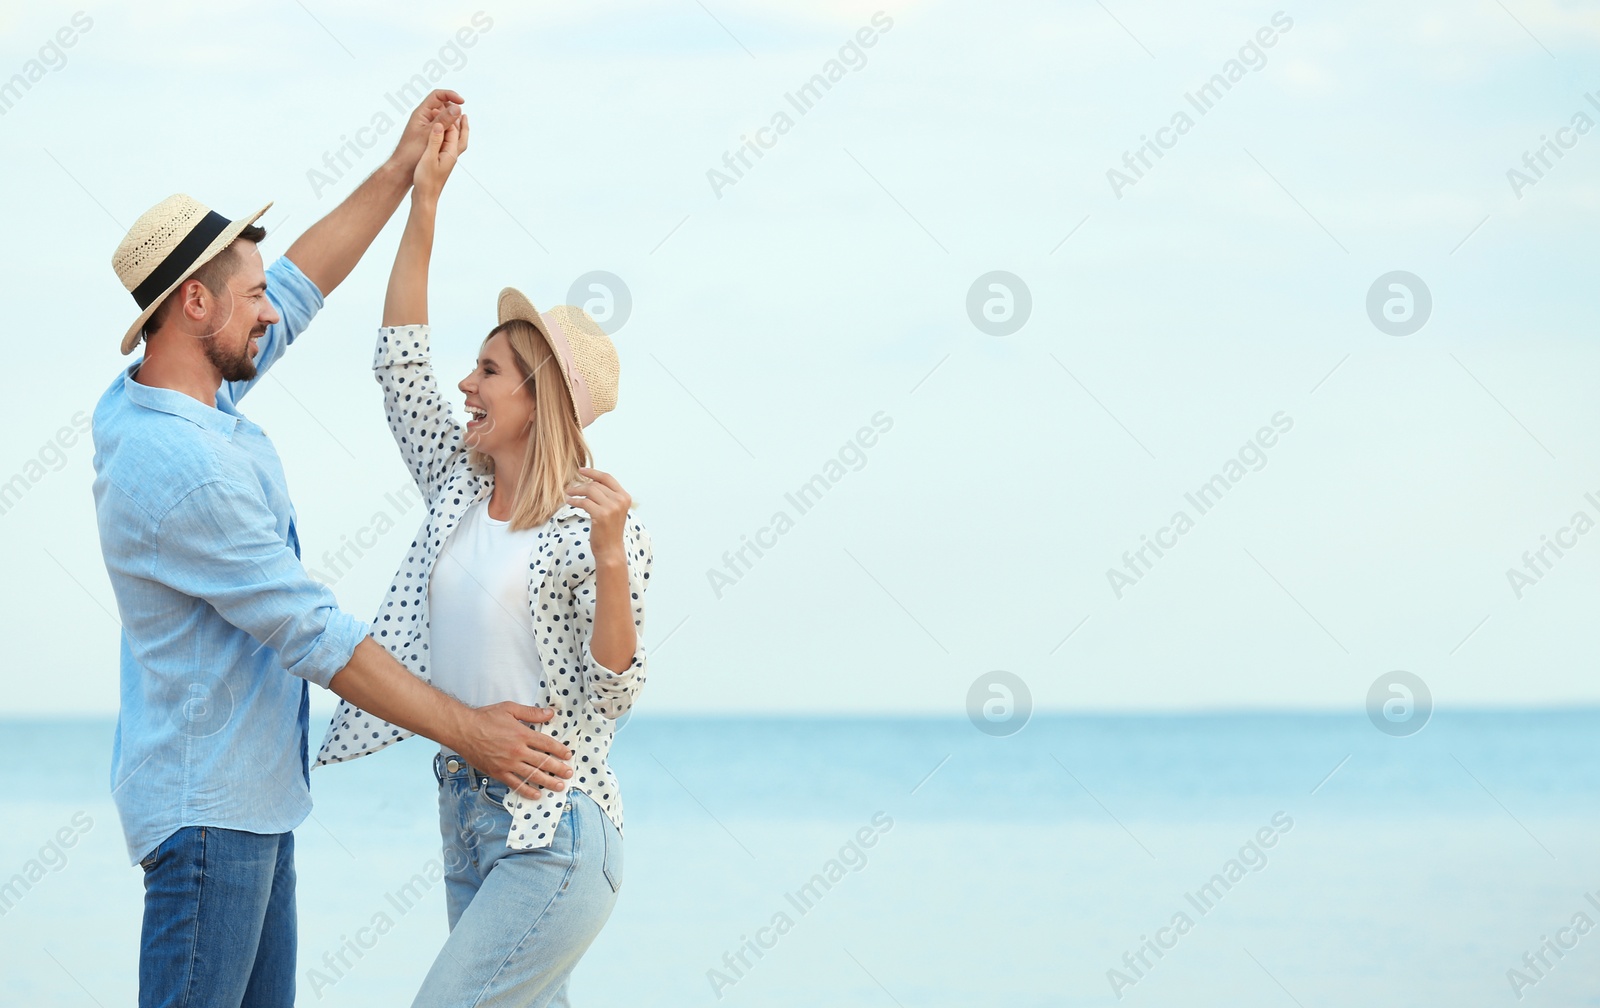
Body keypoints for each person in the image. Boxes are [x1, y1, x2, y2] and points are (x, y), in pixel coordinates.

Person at [90, 90, 575, 1008]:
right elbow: (316, 636)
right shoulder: (183, 466)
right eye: (250, 297)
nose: (270, 313)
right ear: (194, 303)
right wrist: (472, 731)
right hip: (209, 817)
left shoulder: (174, 391)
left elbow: (304, 280)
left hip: (247, 803)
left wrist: (402, 172)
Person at [315, 114, 652, 1006]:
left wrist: (613, 558)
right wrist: (424, 199)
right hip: (465, 814)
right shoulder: (457, 491)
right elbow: (399, 365)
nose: (467, 384)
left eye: (491, 371)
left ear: (541, 401)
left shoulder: (594, 523)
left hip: (557, 834)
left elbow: (616, 687)